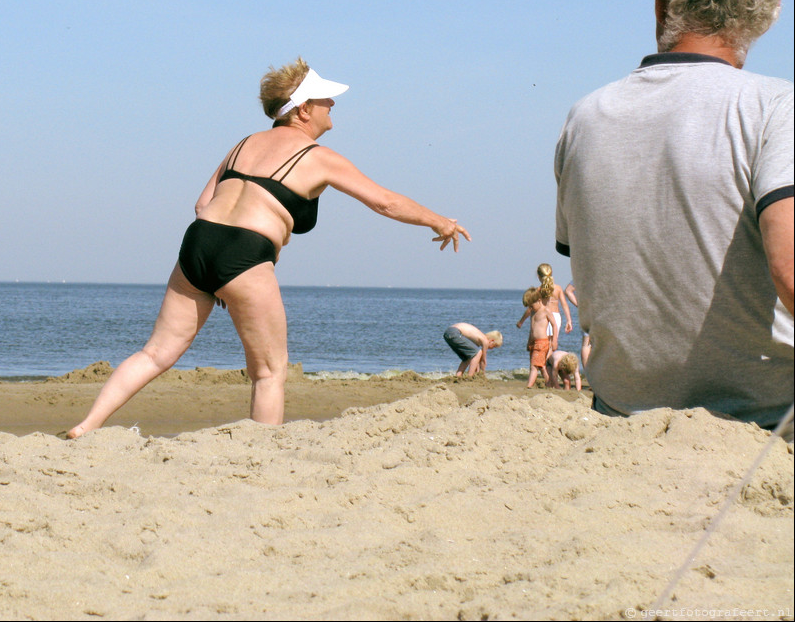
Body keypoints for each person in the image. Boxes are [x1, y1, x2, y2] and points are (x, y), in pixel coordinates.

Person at [67, 59, 469, 438]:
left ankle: (86, 426)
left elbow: (201, 204)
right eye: (324, 99)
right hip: (245, 251)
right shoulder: (319, 158)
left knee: (155, 353)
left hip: (199, 243)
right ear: (302, 110)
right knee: (269, 372)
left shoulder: (243, 144)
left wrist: (221, 278)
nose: (332, 104)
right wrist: (440, 221)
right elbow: (384, 202)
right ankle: (262, 454)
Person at [555, 0, 793, 429]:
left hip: (619, 416)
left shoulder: (585, 117)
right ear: (768, 13)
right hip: (760, 421)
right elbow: (789, 267)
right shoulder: (777, 107)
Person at [515, 263, 572, 351]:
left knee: (544, 342)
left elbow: (531, 308)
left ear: (538, 276)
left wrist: (521, 321)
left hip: (543, 317)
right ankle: (548, 362)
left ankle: (544, 363)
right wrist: (569, 320)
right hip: (556, 317)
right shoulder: (558, 288)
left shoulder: (538, 290)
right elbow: (564, 305)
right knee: (551, 343)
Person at [523, 286, 557, 389]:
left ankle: (529, 386)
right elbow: (532, 328)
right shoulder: (533, 312)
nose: (531, 308)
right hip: (534, 341)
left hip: (542, 342)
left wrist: (554, 340)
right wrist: (529, 341)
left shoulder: (545, 311)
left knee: (534, 366)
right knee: (541, 366)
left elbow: (554, 324)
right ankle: (549, 383)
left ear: (538, 300)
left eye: (532, 305)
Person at [563, 283, 591, 369]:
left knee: (586, 344)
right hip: (604, 312)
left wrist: (580, 305)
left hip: (587, 311)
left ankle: (589, 374)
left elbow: (568, 291)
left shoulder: (583, 272)